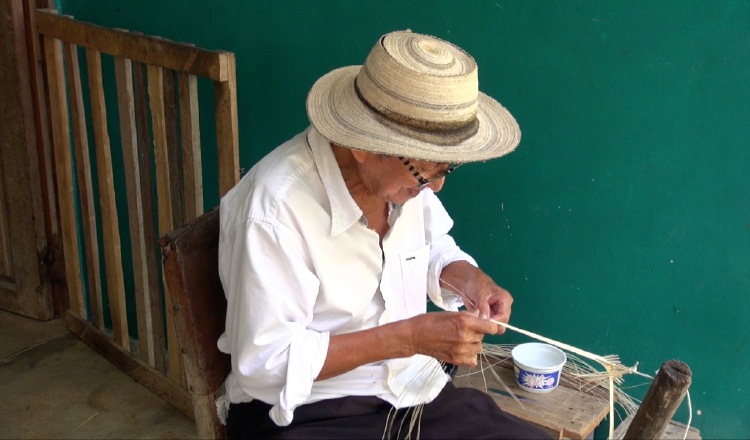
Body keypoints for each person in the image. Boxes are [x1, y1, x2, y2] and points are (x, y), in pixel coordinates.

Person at [217, 30, 551, 439]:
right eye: (425, 173)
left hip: (409, 391)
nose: (436, 188)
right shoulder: (276, 209)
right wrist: (408, 337)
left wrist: (471, 280)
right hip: (304, 410)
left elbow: (433, 247)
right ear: (361, 144)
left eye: (446, 170)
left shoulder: (403, 185)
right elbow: (265, 364)